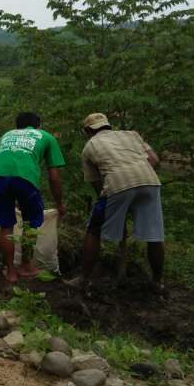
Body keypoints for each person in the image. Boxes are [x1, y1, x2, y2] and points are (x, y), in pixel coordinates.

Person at [68, 113, 164, 293]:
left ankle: (83, 279)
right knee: (155, 235)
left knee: (94, 230)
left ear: (88, 131)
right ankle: (157, 282)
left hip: (118, 183)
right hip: (150, 181)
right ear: (108, 126)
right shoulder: (132, 134)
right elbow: (154, 160)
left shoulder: (90, 146)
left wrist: (112, 204)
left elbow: (97, 184)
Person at [0, 112, 66, 283]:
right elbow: (54, 177)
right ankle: (26, 266)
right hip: (26, 178)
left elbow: (1, 160)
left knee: (6, 225)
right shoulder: (45, 136)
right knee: (31, 223)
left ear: (18, 126)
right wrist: (59, 203)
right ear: (38, 125)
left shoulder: (7, 135)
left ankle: (10, 272)